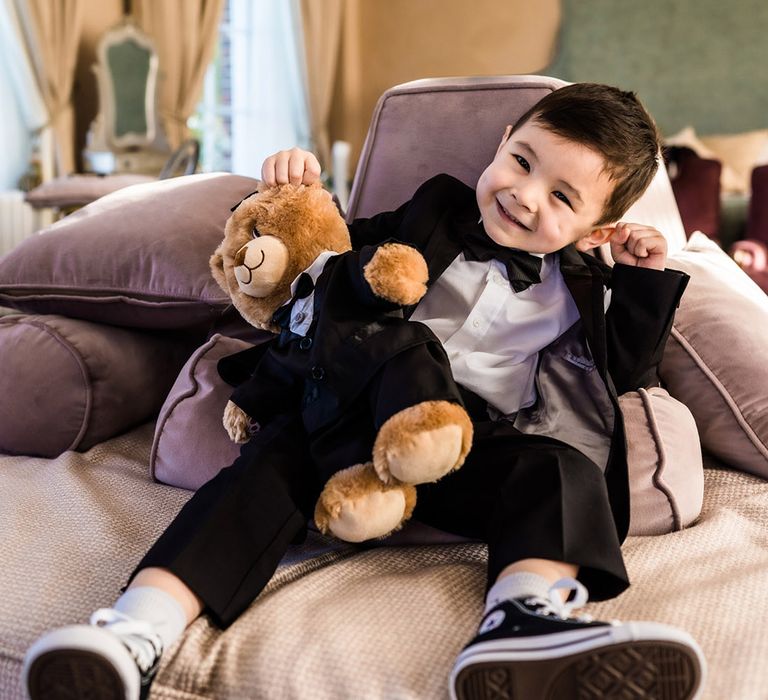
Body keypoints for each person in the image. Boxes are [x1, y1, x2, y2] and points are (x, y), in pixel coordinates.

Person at [23, 83, 706, 700]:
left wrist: (643, 277)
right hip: (345, 417)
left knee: (557, 468)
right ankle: (135, 631)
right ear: (501, 144)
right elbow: (327, 257)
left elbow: (624, 373)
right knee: (263, 474)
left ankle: (522, 617)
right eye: (523, 162)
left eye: (563, 197)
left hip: (463, 454)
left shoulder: (582, 282)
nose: (527, 195)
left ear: (596, 228)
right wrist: (292, 195)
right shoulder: (434, 210)